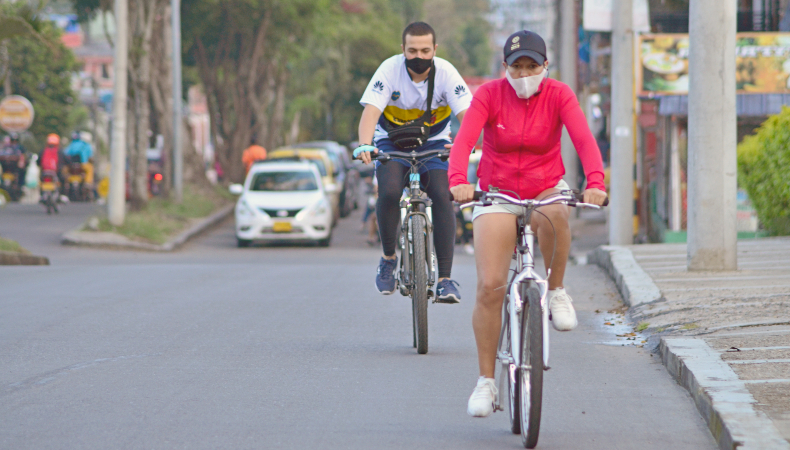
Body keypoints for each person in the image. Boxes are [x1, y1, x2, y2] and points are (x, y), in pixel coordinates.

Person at [447, 30, 608, 417]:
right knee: (489, 287)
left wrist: (596, 183)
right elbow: (464, 141)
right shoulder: (487, 95)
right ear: (505, 68)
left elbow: (584, 141)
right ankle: (486, 381)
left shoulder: (560, 95)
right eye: (516, 67)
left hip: (544, 187)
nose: (523, 74)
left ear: (545, 66)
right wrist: (457, 182)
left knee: (554, 215)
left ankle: (555, 291)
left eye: (531, 66)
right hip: (497, 192)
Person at [354, 22, 471, 303]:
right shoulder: (389, 70)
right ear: (402, 50)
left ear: (435, 50)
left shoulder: (446, 73)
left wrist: (466, 144)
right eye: (412, 50)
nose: (419, 56)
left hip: (434, 144)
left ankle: (444, 279)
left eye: (425, 50)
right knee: (391, 191)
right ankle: (388, 258)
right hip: (390, 143)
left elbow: (468, 115)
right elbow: (371, 112)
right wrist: (365, 144)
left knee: (443, 196)